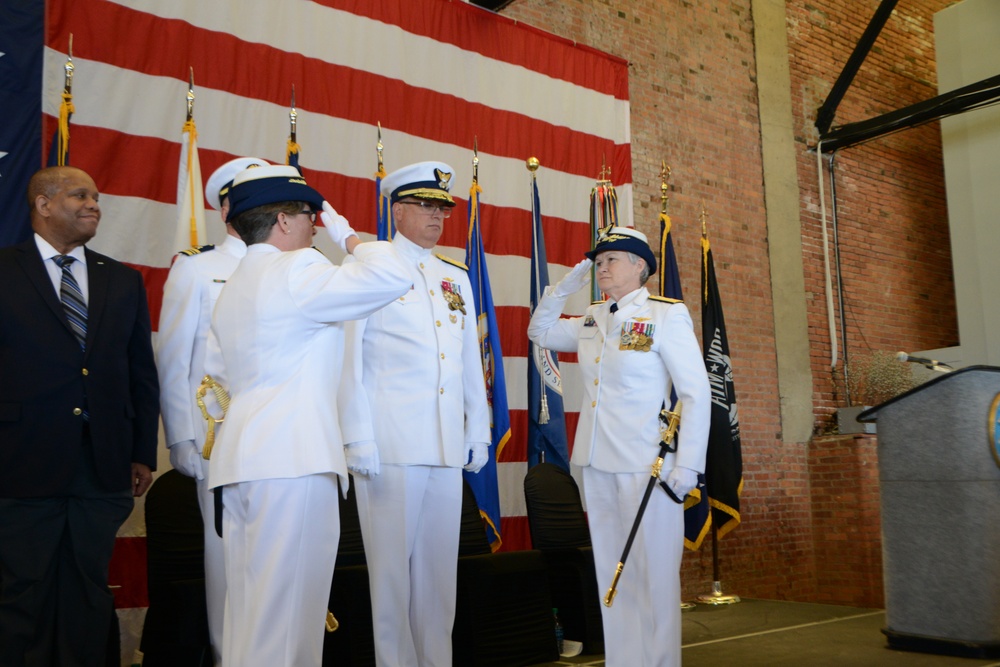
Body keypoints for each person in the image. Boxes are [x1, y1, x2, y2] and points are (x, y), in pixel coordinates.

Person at [205, 164, 410, 667]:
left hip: (242, 464)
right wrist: (351, 237)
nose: (316, 225)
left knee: (250, 617)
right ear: (281, 221)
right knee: (288, 620)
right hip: (292, 462)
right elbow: (394, 274)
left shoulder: (233, 284)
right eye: (308, 215)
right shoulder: (296, 270)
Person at [527, 226, 711, 667]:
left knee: (654, 576)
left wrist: (689, 465)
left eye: (612, 259)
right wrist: (565, 286)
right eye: (599, 259)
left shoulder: (666, 316)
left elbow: (696, 392)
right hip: (596, 462)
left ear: (639, 267)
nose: (602, 267)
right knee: (614, 571)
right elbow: (540, 331)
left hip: (647, 465)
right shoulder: (594, 317)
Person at [0, 166, 160, 666]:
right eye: (79, 195)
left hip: (102, 464)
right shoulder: (5, 269)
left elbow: (140, 371)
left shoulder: (124, 280)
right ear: (43, 205)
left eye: (95, 195)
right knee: (20, 589)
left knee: (89, 586)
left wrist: (140, 452)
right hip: (20, 461)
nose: (94, 204)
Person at [339, 160, 491, 667]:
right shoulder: (372, 264)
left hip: (446, 446)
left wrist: (479, 431)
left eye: (442, 207)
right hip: (392, 445)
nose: (437, 216)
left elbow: (469, 359)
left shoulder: (455, 276)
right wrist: (356, 436)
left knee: (437, 579)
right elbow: (349, 359)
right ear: (397, 210)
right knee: (390, 580)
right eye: (425, 205)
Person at [155, 155, 269, 663]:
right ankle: (229, 655)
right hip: (217, 436)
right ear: (227, 207)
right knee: (226, 555)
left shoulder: (295, 265)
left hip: (282, 436)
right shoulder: (198, 268)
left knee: (277, 558)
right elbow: (175, 357)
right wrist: (181, 437)